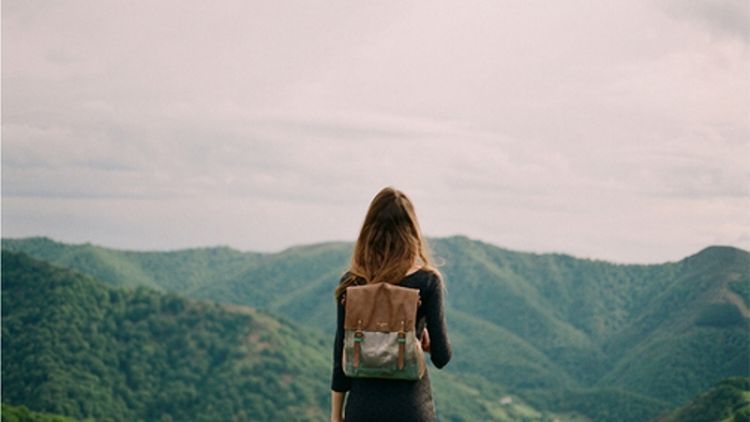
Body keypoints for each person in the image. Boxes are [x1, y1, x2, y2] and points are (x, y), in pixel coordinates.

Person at [331, 187, 452, 422]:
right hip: (410, 409)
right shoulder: (427, 281)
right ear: (412, 230)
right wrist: (422, 342)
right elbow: (442, 357)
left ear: (369, 230)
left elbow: (340, 357)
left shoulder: (351, 282)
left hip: (362, 409)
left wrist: (336, 417)